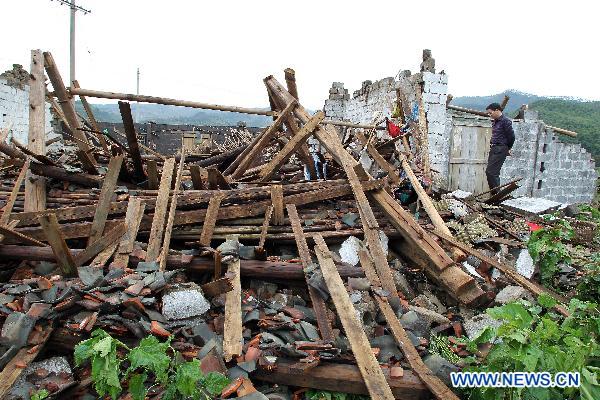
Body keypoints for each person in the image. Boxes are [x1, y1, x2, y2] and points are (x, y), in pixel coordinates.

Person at [485, 102, 515, 194]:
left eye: (491, 113)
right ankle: (495, 194)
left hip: (501, 148)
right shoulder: (495, 122)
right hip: (494, 148)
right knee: (490, 172)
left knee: (491, 172)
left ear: (497, 110)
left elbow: (511, 137)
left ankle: (497, 195)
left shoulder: (505, 121)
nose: (490, 115)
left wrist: (508, 148)